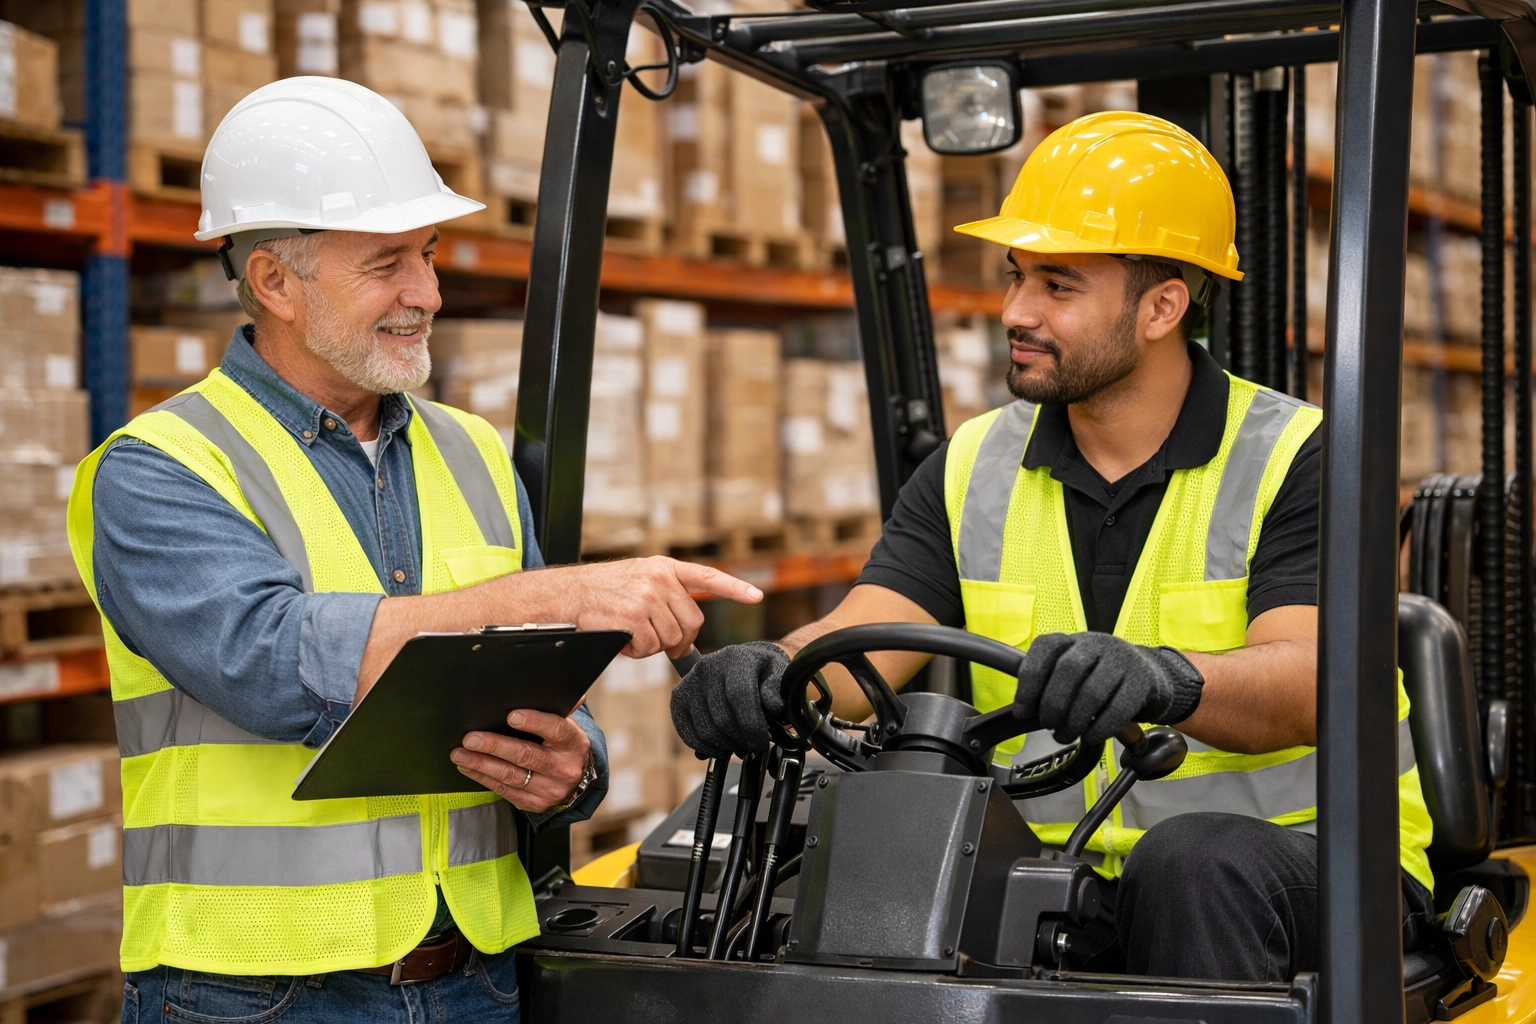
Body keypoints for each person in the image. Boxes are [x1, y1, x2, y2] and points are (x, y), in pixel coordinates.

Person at [670, 110, 1434, 981]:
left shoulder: (1301, 460)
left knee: (1192, 864)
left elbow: (1313, 682)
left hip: (1309, 866)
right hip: (1057, 877)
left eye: (1057, 286)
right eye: (1017, 277)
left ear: (1162, 306)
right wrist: (770, 669)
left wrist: (1166, 677)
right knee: (859, 863)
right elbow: (863, 646)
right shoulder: (973, 464)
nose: (1015, 312)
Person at [67, 78, 760, 1024]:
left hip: (474, 977)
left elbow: (546, 689)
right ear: (274, 280)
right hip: (252, 993)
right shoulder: (159, 470)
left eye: (426, 256)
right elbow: (273, 660)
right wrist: (565, 593)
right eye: (387, 263)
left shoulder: (471, 453)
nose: (426, 294)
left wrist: (572, 767)